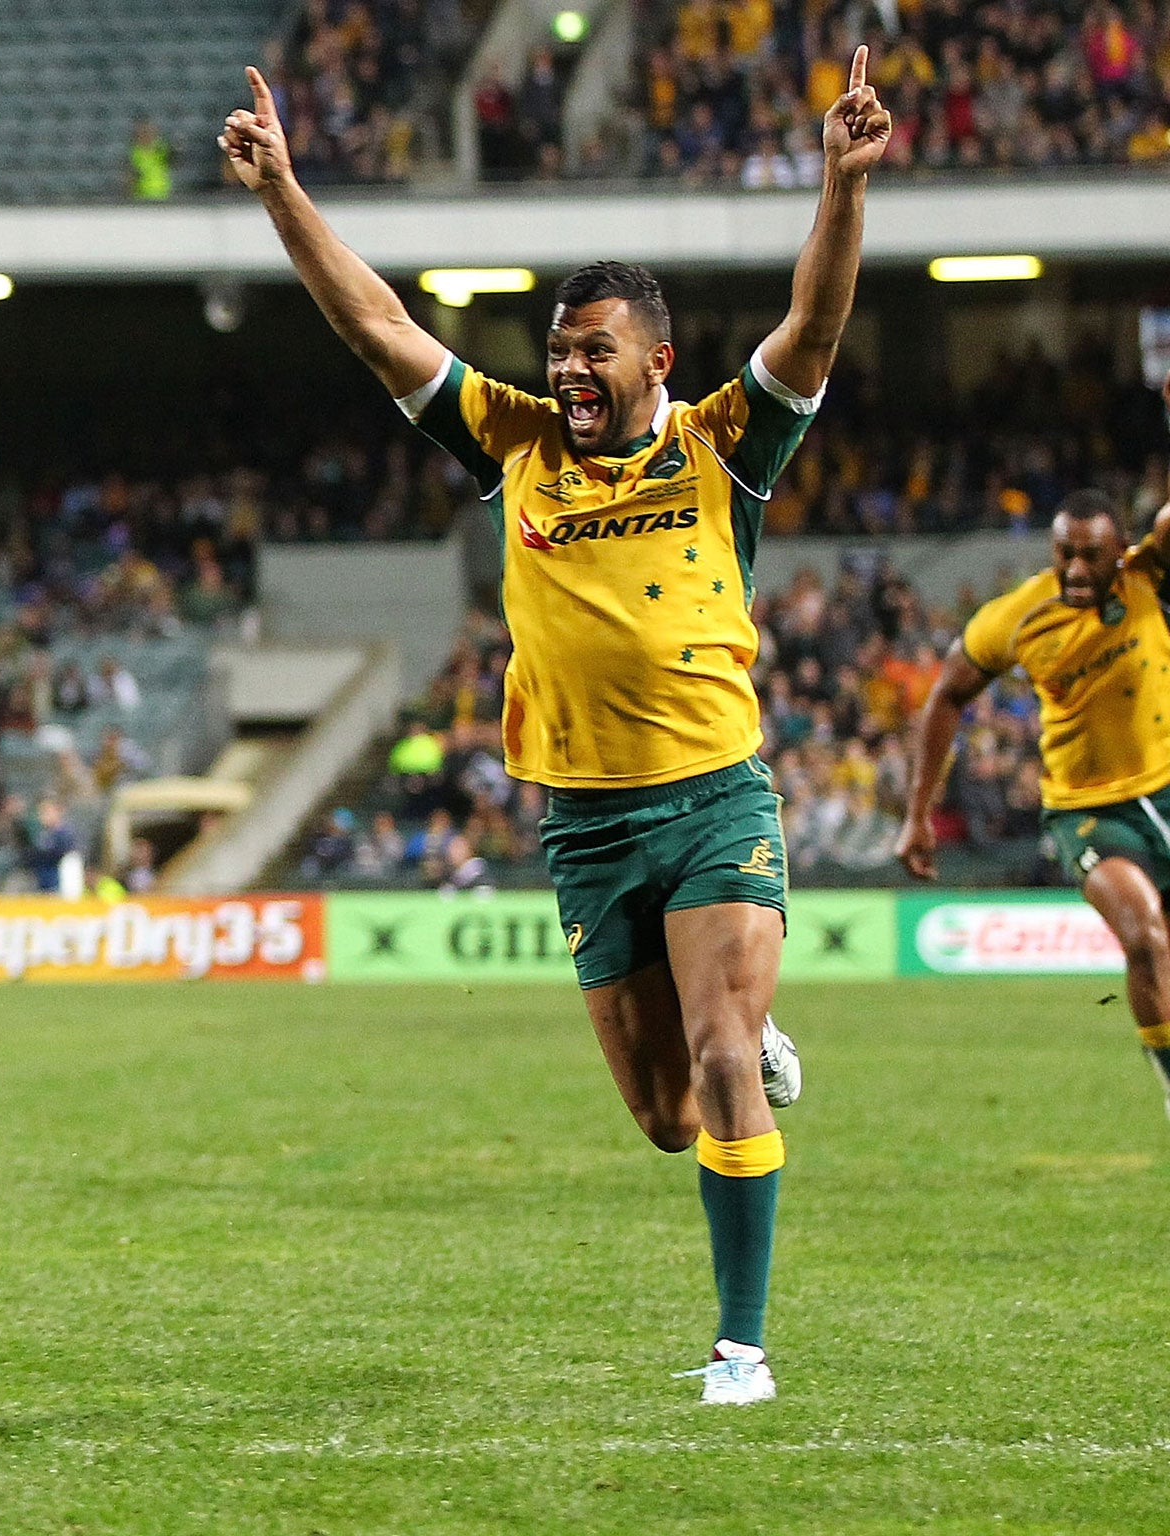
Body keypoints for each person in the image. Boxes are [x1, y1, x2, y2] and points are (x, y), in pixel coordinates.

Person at [223, 49, 892, 1403]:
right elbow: (379, 331)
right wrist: (286, 192)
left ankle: (740, 1348)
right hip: (584, 823)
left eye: (593, 349)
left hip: (714, 799)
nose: (568, 369)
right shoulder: (515, 445)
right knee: (663, 1115)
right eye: (558, 350)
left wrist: (839, 186)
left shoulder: (721, 445)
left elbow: (813, 334)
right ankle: (741, 1039)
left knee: (714, 1061)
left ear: (657, 357)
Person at [899, 487, 1170, 1108]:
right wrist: (917, 814)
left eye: (1092, 556)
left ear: (1120, 552)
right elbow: (947, 693)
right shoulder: (1022, 614)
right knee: (1145, 937)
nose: (1075, 569)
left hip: (1166, 785)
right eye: (1063, 553)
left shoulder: (1149, 575)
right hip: (1090, 811)